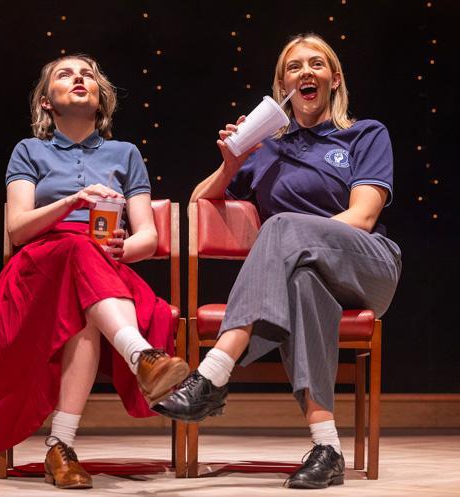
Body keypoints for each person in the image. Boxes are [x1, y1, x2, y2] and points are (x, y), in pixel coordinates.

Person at [153, 34, 401, 489]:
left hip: (368, 266)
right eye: (294, 67)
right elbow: (195, 206)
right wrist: (232, 163)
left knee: (284, 226)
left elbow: (363, 217)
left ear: (334, 78)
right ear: (282, 85)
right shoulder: (268, 149)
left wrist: (296, 234)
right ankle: (327, 447)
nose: (305, 72)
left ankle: (212, 373)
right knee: (304, 284)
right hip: (311, 274)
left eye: (317, 64)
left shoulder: (365, 133)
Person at [0, 55, 189, 489]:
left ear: (101, 100)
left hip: (105, 272)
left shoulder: (125, 153)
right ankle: (141, 356)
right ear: (45, 103)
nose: (79, 78)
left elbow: (147, 236)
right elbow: (17, 229)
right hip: (38, 272)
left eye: (88, 74)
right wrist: (72, 203)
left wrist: (122, 248)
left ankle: (61, 446)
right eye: (64, 73)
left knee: (84, 310)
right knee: (75, 247)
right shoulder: (29, 150)